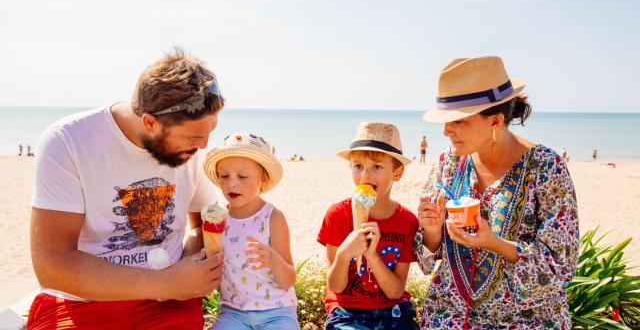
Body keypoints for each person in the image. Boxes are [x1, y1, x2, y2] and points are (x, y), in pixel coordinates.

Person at [28, 49, 225, 329]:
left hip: (167, 308)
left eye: (210, 132)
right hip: (82, 302)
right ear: (149, 122)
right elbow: (52, 265)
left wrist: (190, 272)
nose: (203, 146)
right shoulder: (69, 141)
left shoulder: (189, 152)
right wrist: (167, 283)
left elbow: (203, 225)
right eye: (194, 136)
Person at [415, 56, 579, 329]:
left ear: (495, 121)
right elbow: (428, 254)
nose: (446, 131)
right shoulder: (448, 164)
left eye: (458, 121)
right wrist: (431, 229)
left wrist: (494, 243)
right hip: (449, 318)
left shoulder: (546, 168)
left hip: (528, 322)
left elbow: (559, 265)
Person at [317, 122, 420, 329]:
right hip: (346, 310)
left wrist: (372, 256)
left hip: (392, 308)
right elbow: (336, 286)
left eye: (377, 166)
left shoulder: (407, 222)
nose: (365, 175)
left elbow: (395, 292)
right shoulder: (337, 215)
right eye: (358, 166)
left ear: (397, 173)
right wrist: (345, 253)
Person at [203, 133, 299, 329]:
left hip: (276, 312)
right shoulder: (218, 220)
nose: (232, 183)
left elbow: (288, 280)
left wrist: (274, 260)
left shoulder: (273, 218)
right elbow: (213, 271)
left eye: (243, 176)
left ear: (262, 179)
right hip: (233, 312)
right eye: (224, 176)